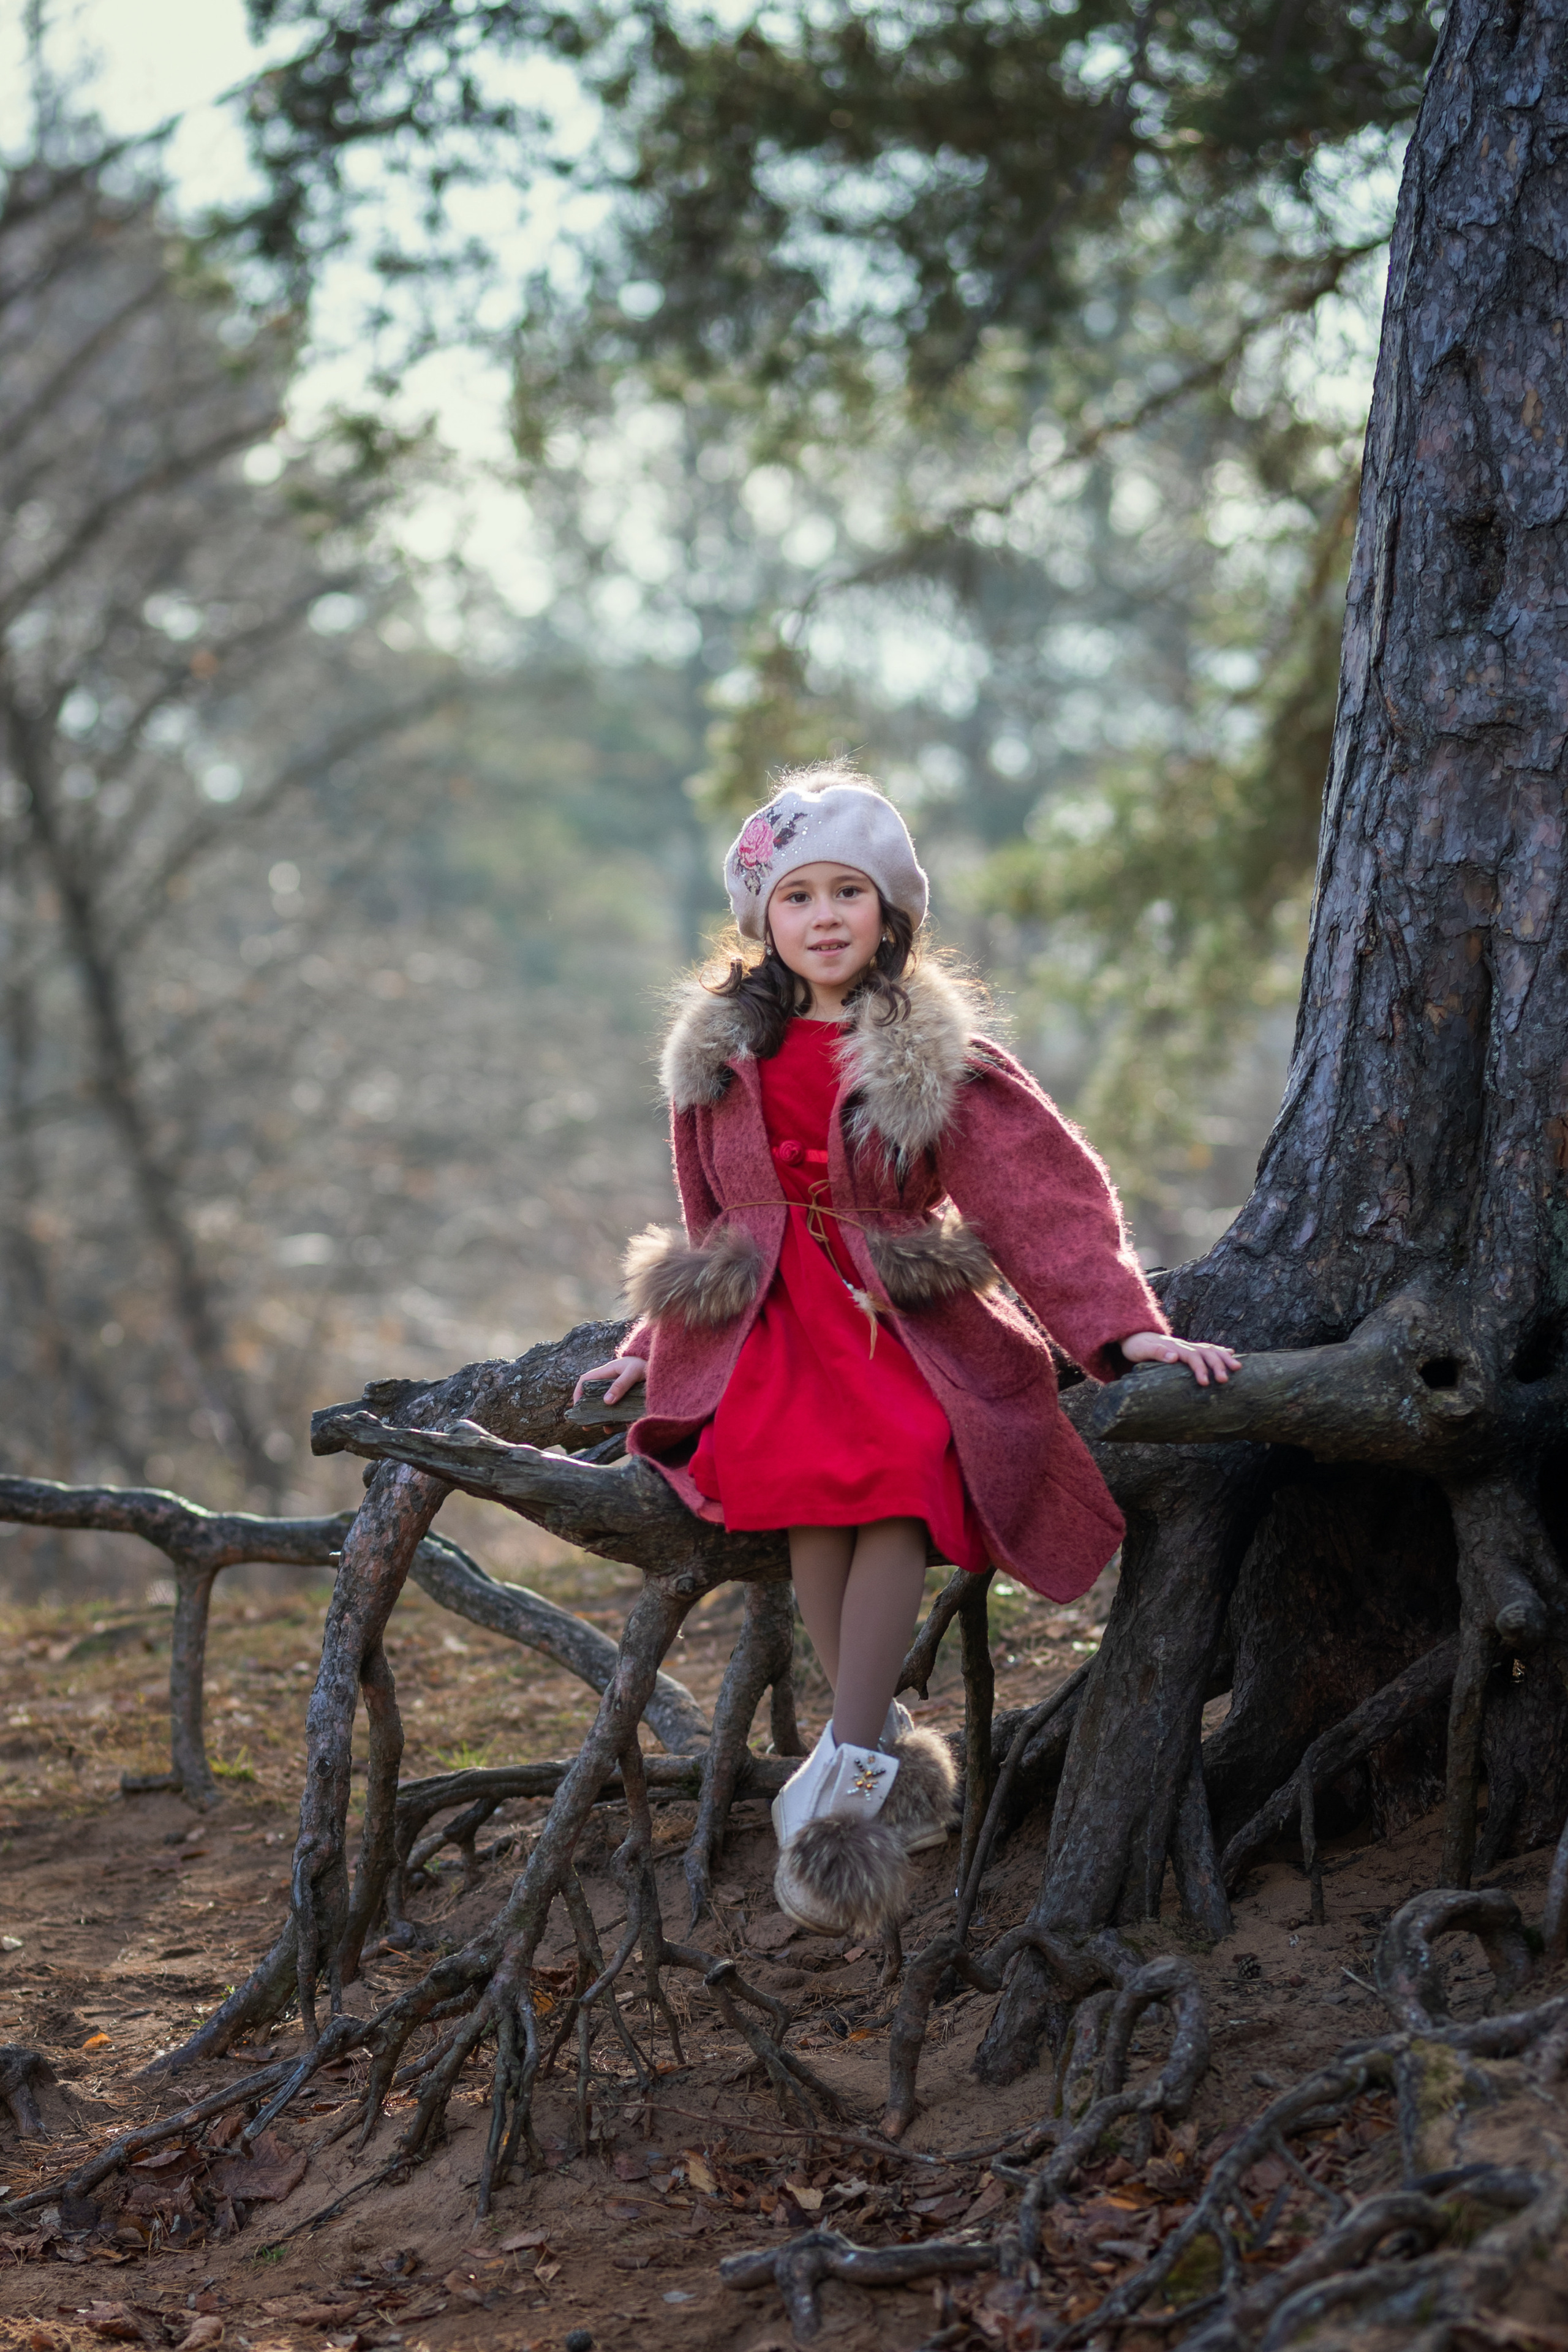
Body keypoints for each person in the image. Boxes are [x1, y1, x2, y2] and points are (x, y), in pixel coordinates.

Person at [575, 763, 1238, 1940]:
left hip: (893, 1315)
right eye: (797, 897)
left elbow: (1041, 1200)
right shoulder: (721, 1053)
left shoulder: (927, 1050)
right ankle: (877, 1749)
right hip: (771, 1320)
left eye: (849, 893)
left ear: (889, 913)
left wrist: (1122, 1321)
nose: (825, 917)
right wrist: (650, 1340)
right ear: (763, 918)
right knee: (805, 1496)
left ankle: (841, 1778)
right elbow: (707, 1219)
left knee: (900, 1470)